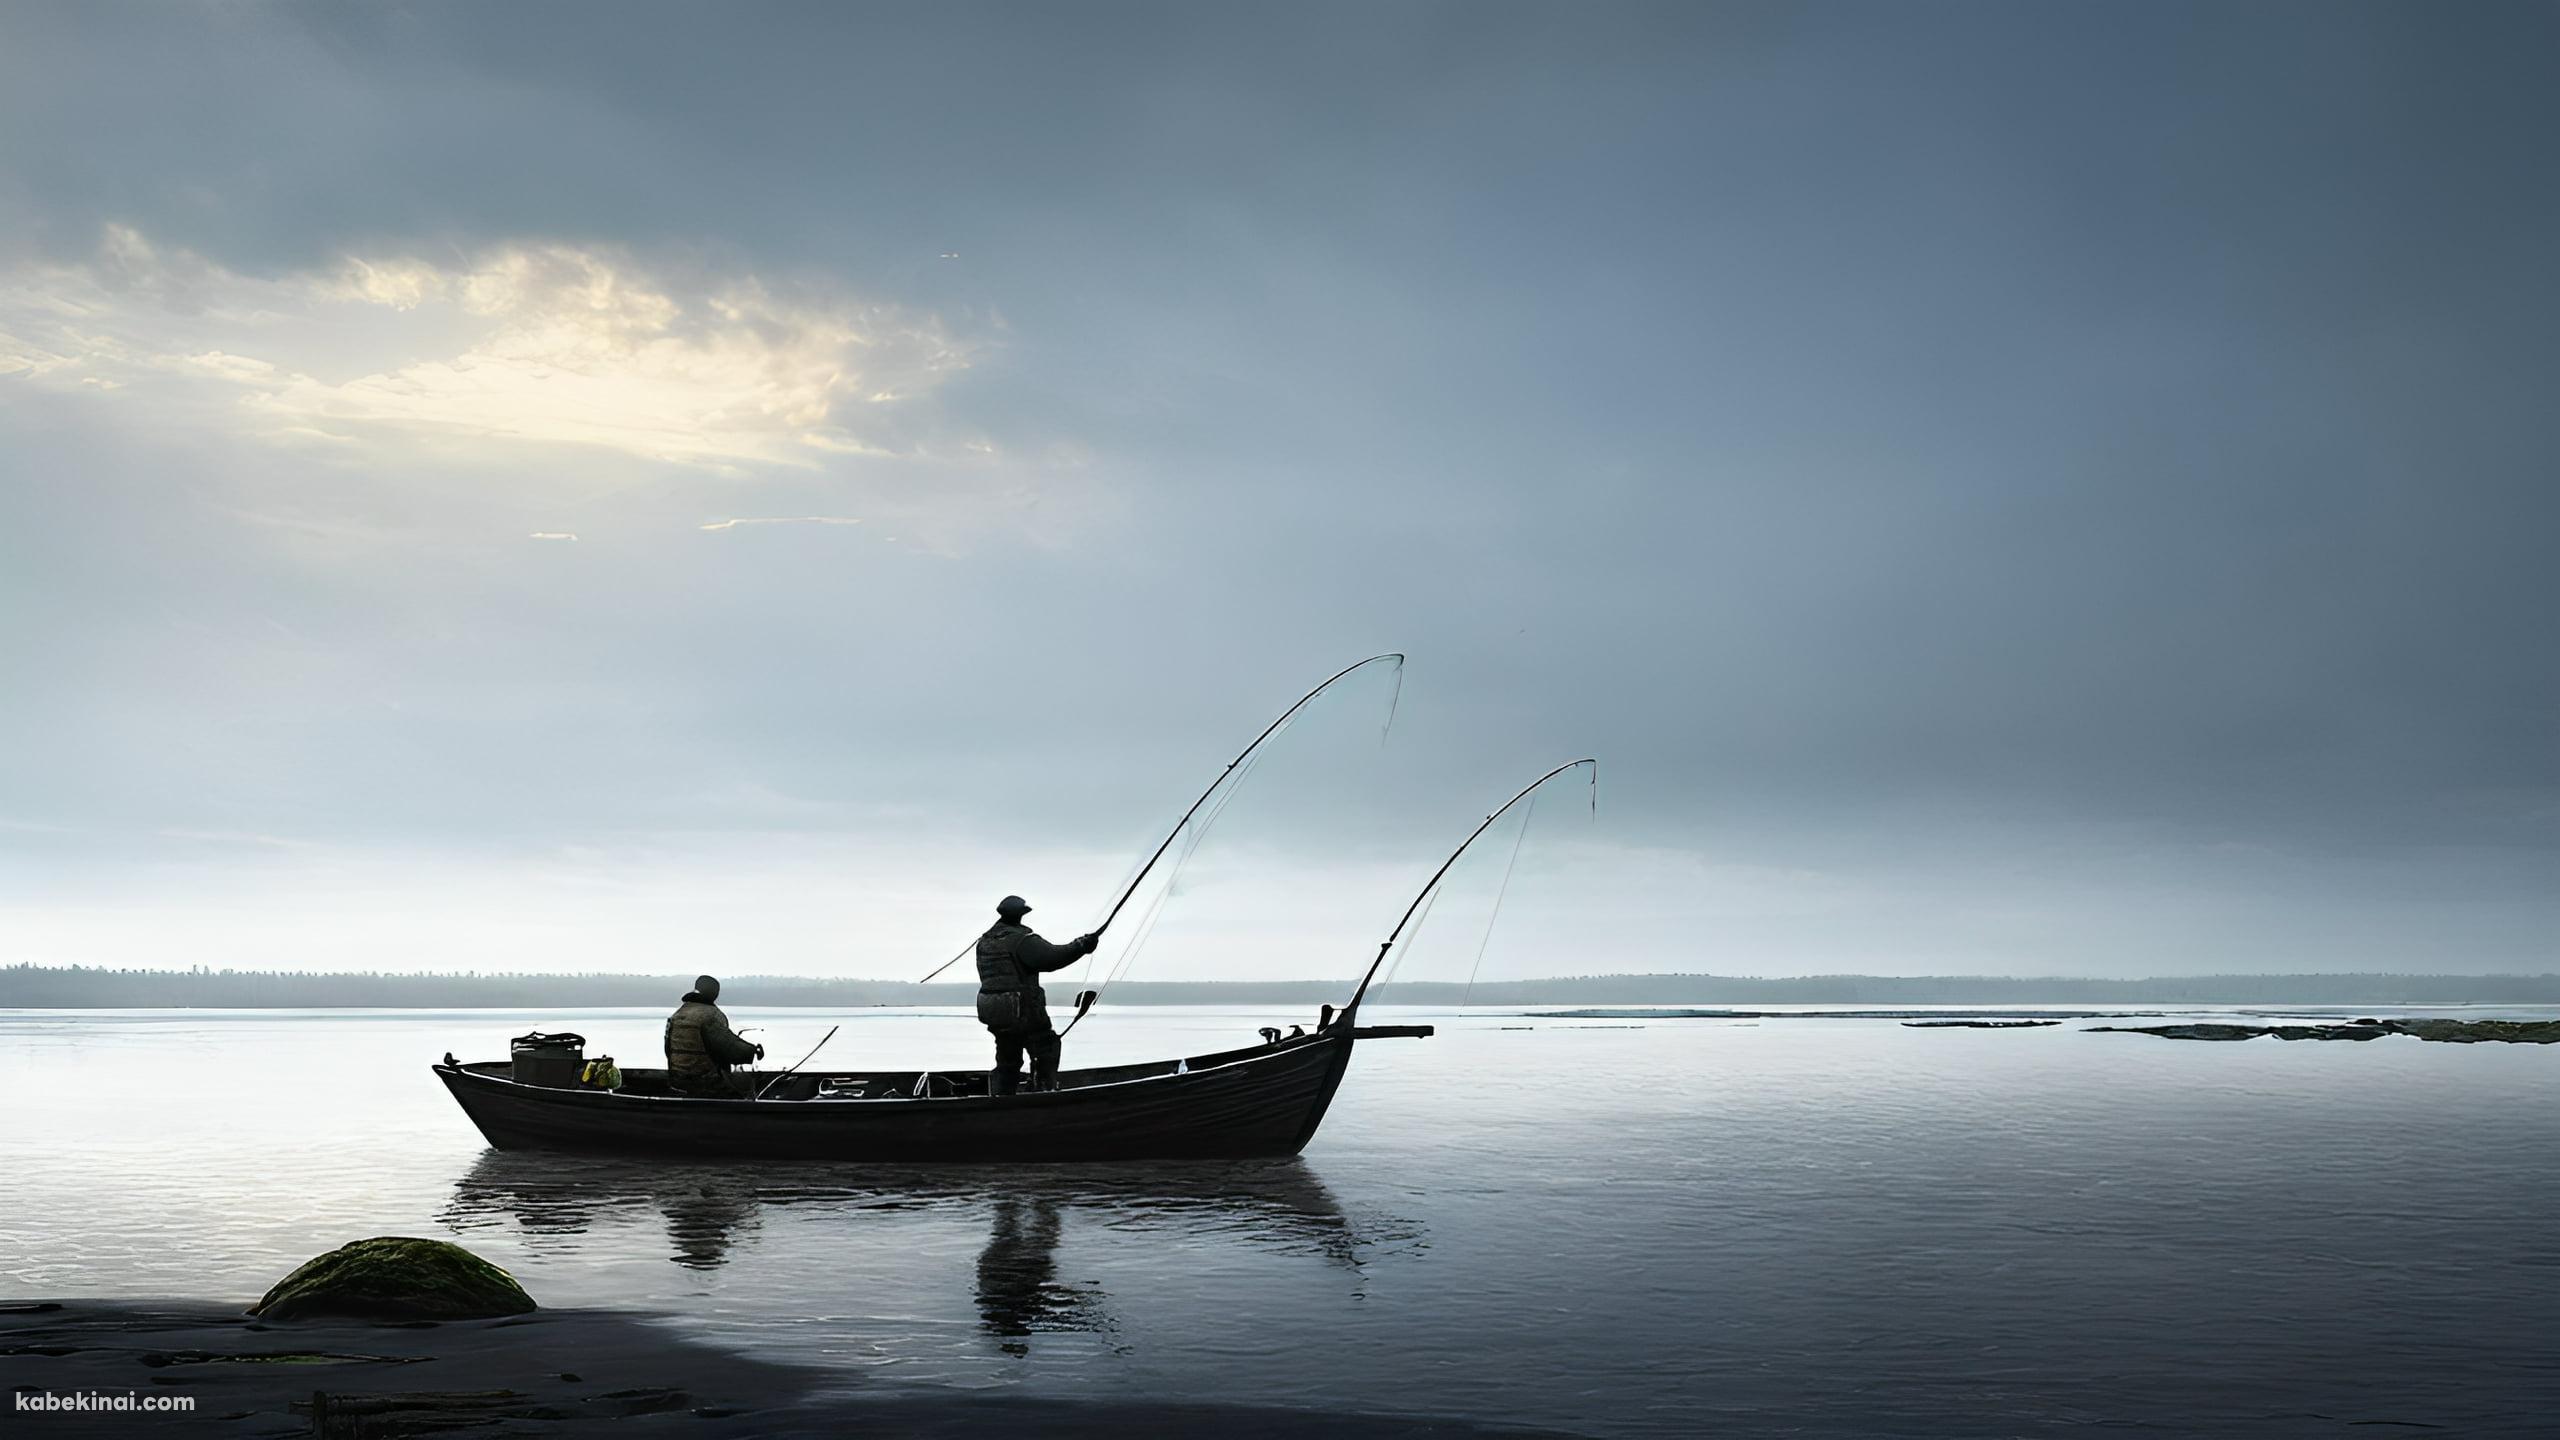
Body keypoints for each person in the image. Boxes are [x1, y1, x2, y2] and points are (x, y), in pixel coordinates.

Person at [974, 896, 1098, 1096]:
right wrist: (1081, 946)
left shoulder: (985, 942)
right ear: (1021, 915)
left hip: (995, 1011)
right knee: (1046, 1047)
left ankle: (1001, 1099)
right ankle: (1043, 1095)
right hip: (1022, 1009)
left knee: (1007, 1058)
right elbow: (1052, 958)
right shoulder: (1022, 941)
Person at [664, 974, 764, 1097]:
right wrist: (753, 1050)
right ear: (714, 993)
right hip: (704, 1082)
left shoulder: (678, 1014)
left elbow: (667, 1050)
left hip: (677, 1080)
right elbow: (727, 1046)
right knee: (742, 1094)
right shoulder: (711, 1015)